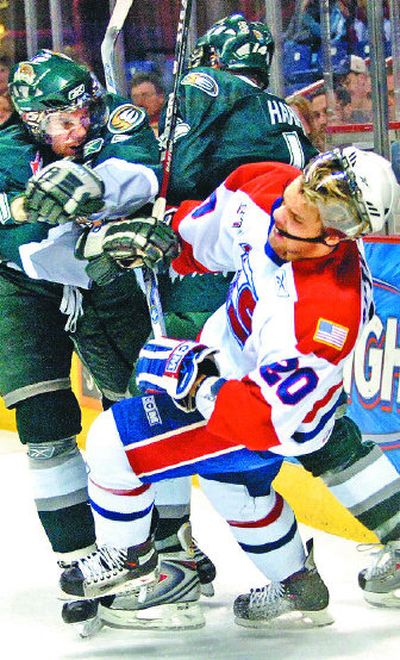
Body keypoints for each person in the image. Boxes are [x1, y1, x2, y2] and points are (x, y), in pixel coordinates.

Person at [60, 146, 400, 628]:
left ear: (337, 238)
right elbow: (202, 238)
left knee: (113, 443)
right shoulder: (266, 187)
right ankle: (298, 586)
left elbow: (261, 421)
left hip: (262, 410)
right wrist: (159, 238)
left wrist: (192, 379)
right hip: (253, 385)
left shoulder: (323, 312)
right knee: (235, 490)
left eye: (295, 230)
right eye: (285, 210)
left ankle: (130, 560)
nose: (281, 222)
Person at [3, 48, 164, 628]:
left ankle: (166, 558)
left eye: (85, 111)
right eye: (64, 120)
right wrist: (28, 210)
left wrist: (93, 185)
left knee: (145, 417)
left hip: (109, 284)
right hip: (22, 289)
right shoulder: (7, 153)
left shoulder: (119, 118)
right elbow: (22, 248)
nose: (83, 126)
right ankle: (77, 566)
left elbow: (142, 171)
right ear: (32, 119)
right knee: (45, 430)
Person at [130, 72, 166, 136]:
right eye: (135, 97)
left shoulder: (171, 125)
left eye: (145, 95)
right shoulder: (130, 130)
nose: (139, 101)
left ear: (161, 97)